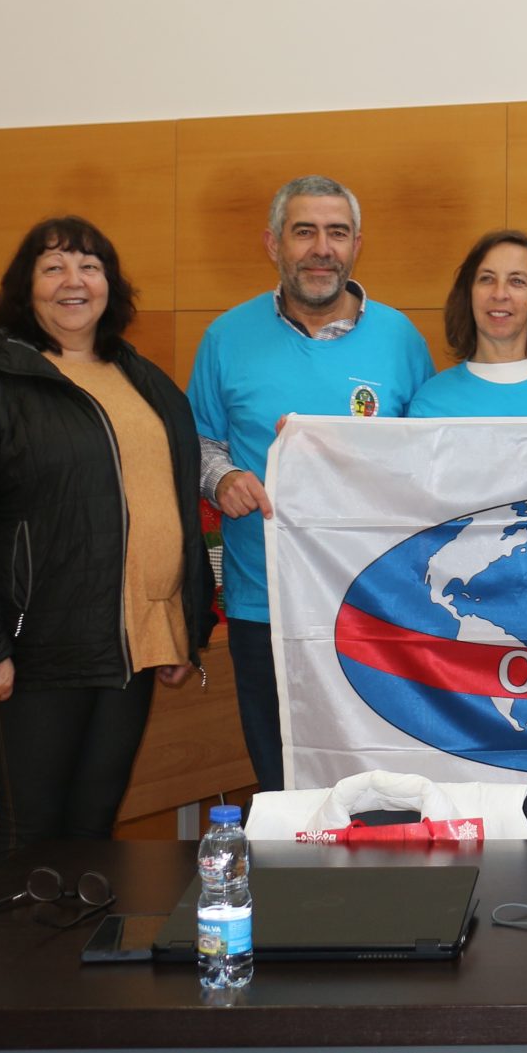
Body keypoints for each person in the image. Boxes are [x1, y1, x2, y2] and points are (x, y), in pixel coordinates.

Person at [0, 216, 213, 864]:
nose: (75, 281)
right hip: (36, 649)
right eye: (54, 267)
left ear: (111, 285)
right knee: (31, 832)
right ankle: (10, 964)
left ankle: (70, 962)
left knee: (93, 826)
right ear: (26, 287)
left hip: (130, 647)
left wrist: (181, 623)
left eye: (90, 266)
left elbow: (174, 505)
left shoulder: (143, 379)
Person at [188, 175, 433, 792]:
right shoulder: (225, 338)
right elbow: (197, 442)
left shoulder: (402, 340)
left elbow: (433, 457)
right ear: (273, 244)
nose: (321, 248)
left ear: (356, 245)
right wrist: (222, 480)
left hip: (378, 607)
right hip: (265, 606)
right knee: (285, 780)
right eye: (305, 232)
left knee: (386, 782)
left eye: (337, 232)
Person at [409, 229, 527, 418]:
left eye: (517, 281)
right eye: (487, 279)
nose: (499, 294)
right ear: (469, 294)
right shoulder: (432, 400)